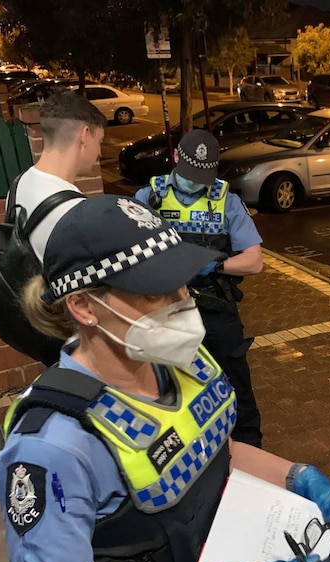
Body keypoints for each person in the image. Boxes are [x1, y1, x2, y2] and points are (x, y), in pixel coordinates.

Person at [0, 195, 330, 562]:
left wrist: (298, 477)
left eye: (182, 283)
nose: (183, 303)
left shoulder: (181, 364)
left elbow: (213, 452)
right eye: (153, 292)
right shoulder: (53, 449)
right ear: (84, 307)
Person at [136, 129, 265, 448]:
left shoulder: (227, 200)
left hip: (217, 308)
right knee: (173, 386)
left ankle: (250, 450)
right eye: (193, 173)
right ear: (176, 157)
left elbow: (254, 261)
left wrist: (217, 266)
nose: (198, 182)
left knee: (236, 384)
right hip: (167, 310)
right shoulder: (149, 198)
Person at [13, 89, 107, 262]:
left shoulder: (19, 184)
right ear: (84, 135)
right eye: (99, 141)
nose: (99, 152)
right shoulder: (74, 211)